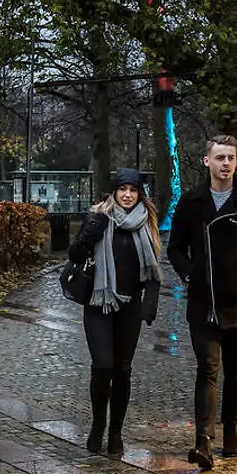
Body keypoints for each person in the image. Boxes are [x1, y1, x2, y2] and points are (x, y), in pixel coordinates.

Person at [167, 135, 237, 470]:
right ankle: (203, 440)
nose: (226, 163)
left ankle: (231, 431)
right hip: (203, 302)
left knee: (235, 370)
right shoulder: (191, 202)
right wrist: (190, 275)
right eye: (219, 157)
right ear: (207, 161)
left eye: (230, 157)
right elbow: (175, 248)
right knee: (207, 369)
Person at [69, 168, 162, 455]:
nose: (127, 195)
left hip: (130, 306)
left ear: (140, 194)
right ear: (114, 192)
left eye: (133, 190)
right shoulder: (98, 217)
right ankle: (98, 423)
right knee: (103, 366)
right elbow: (75, 255)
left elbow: (153, 269)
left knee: (122, 370)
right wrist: (90, 233)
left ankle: (116, 431)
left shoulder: (145, 223)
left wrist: (150, 302)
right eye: (123, 189)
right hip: (99, 303)